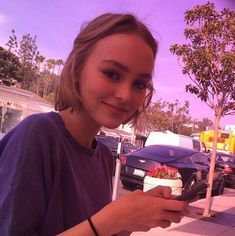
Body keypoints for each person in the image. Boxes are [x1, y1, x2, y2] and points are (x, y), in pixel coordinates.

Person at [0, 13, 191, 236]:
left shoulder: (104, 158)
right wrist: (111, 220)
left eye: (139, 83)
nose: (126, 95)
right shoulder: (37, 136)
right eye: (112, 74)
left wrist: (132, 218)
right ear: (77, 69)